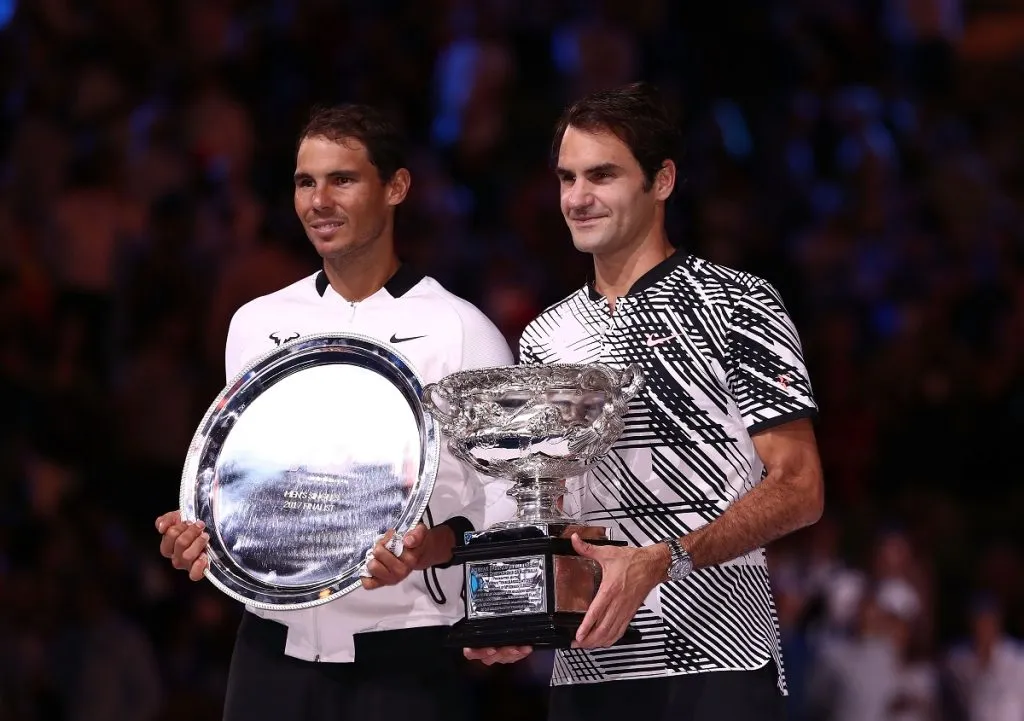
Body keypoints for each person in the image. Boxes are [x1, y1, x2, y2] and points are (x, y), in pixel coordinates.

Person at [467, 82, 825, 721]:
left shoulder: (736, 302)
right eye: (567, 178)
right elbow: (552, 505)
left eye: (602, 175)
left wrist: (664, 561)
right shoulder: (546, 337)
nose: (578, 197)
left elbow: (800, 488)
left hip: (720, 657)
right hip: (589, 663)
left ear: (661, 180)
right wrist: (518, 605)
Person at [154, 103, 513, 721]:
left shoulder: (462, 330)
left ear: (395, 187)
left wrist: (430, 550)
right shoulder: (256, 324)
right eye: (305, 182)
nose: (319, 201)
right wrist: (202, 533)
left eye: (342, 180)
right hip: (269, 651)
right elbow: (247, 485)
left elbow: (504, 512)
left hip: (406, 651)